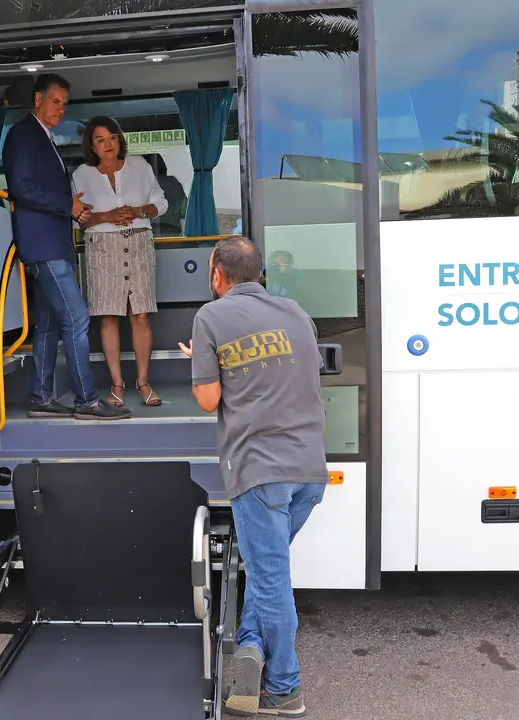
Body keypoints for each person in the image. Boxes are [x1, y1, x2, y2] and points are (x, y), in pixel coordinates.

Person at [178, 236, 327, 718]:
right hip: (309, 470)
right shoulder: (295, 312)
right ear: (259, 273)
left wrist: (203, 365)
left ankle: (284, 689)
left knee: (270, 580)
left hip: (260, 472)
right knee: (267, 574)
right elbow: (297, 373)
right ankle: (248, 645)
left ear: (217, 275)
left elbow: (207, 400)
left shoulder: (211, 317)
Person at [1, 75, 129, 420]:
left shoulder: (41, 136)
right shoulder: (23, 134)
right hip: (43, 246)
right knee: (76, 318)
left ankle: (41, 398)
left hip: (52, 243)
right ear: (39, 99)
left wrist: (70, 206)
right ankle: (86, 400)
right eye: (56, 101)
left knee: (48, 325)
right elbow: (23, 188)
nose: (61, 108)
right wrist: (66, 205)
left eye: (65, 103)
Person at [72, 116, 169, 408]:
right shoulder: (81, 174)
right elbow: (78, 219)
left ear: (119, 138)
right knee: (108, 315)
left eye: (112, 137)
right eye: (100, 139)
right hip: (102, 247)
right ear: (91, 145)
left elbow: (161, 203)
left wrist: (139, 210)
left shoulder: (140, 165)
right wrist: (108, 217)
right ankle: (117, 384)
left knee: (140, 314)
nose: (108, 144)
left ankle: (143, 381)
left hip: (139, 241)